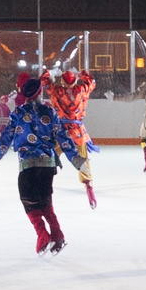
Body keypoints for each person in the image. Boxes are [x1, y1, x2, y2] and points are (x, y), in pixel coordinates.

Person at [0, 70, 72, 252]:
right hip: (48, 164)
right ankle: (58, 235)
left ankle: (43, 236)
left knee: (29, 202)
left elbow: (6, 136)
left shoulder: (19, 112)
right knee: (45, 202)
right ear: (40, 92)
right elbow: (63, 137)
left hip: (28, 165)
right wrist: (76, 158)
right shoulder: (50, 111)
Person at [45, 65, 101, 206]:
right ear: (75, 81)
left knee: (51, 156)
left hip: (60, 131)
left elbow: (43, 81)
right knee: (83, 159)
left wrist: (51, 72)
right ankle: (88, 186)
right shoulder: (81, 90)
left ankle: (46, 183)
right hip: (77, 131)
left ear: (62, 82)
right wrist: (81, 73)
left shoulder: (57, 91)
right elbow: (92, 82)